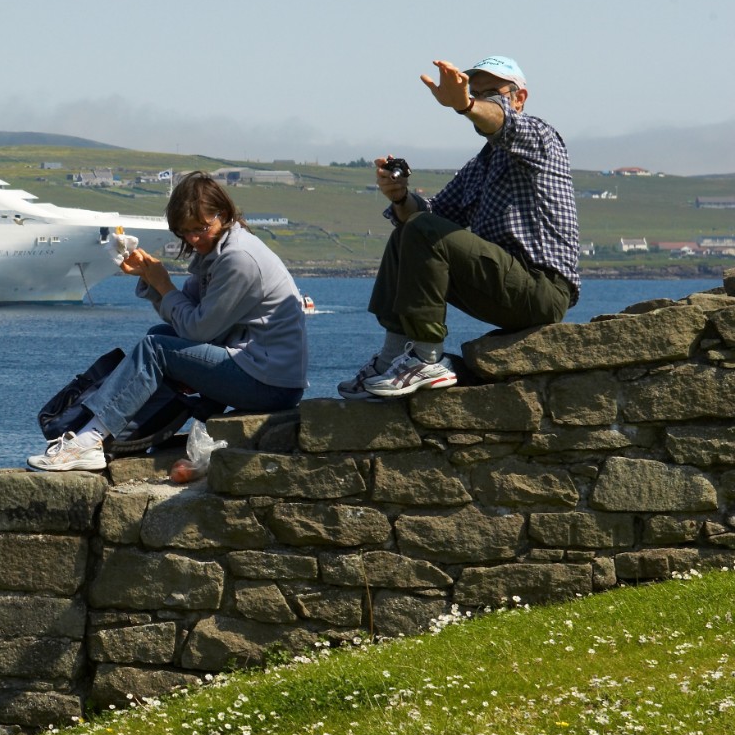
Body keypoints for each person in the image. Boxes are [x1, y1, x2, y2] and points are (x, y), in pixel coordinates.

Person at [30, 172, 308, 472]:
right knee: (160, 335)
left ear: (223, 214)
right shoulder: (218, 251)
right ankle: (130, 433)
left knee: (157, 348)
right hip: (258, 369)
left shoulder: (238, 259)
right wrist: (151, 278)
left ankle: (90, 440)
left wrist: (163, 284)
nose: (193, 239)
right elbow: (183, 317)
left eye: (200, 228)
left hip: (270, 383)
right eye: (184, 232)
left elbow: (198, 328)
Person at [344, 56, 578, 398]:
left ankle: (427, 358)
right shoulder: (480, 165)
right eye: (476, 92)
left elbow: (503, 124)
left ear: (519, 98)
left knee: (421, 230)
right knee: (406, 232)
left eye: (492, 93)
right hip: (502, 287)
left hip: (542, 290)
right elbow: (430, 214)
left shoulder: (541, 137)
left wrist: (466, 104)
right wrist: (399, 196)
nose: (484, 100)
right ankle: (393, 357)